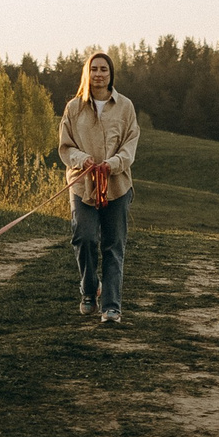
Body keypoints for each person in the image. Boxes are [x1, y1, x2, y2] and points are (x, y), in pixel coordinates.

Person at [59, 50, 138, 323]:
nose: (99, 74)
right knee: (85, 237)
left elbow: (130, 145)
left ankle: (111, 306)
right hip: (83, 185)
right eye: (94, 69)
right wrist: (84, 160)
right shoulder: (73, 108)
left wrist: (113, 163)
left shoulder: (125, 107)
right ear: (87, 73)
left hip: (117, 185)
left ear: (111, 74)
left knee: (113, 245)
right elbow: (65, 147)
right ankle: (89, 290)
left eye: (104, 69)